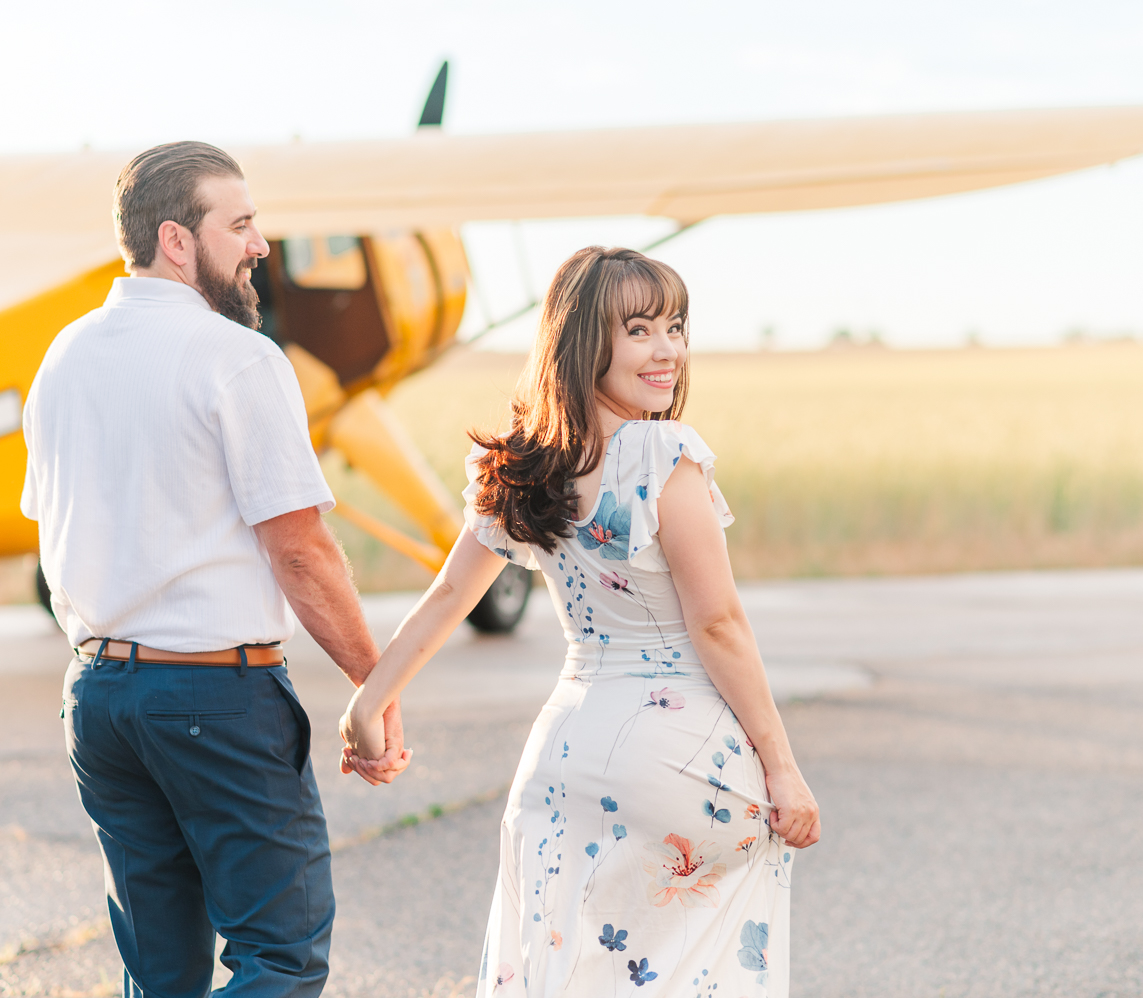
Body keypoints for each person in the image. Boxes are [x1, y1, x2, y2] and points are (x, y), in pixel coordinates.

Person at [340, 246, 821, 996]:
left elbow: (446, 599)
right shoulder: (664, 457)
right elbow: (718, 624)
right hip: (682, 756)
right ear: (583, 343)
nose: (667, 350)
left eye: (675, 326)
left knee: (566, 974)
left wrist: (369, 702)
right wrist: (783, 769)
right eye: (639, 330)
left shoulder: (524, 468)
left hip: (564, 759)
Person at [20, 140, 410, 998]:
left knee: (160, 973)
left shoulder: (63, 357)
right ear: (176, 240)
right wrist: (373, 686)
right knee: (280, 955)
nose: (260, 243)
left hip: (98, 702)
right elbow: (301, 552)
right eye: (239, 225)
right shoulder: (239, 358)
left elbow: (55, 536)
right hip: (214, 698)